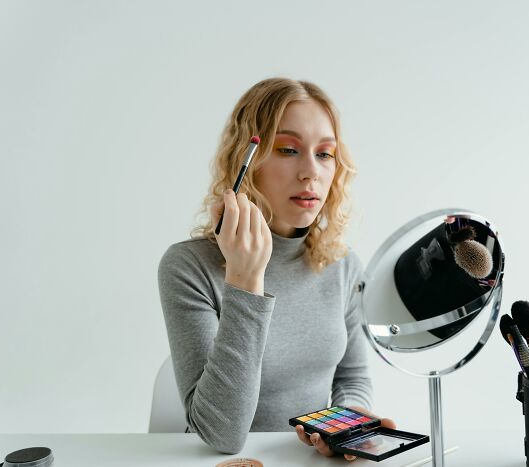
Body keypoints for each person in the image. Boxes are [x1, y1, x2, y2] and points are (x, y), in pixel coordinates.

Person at [158, 77, 394, 459]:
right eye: (288, 149)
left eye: (325, 154)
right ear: (245, 164)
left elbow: (351, 376)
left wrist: (350, 419)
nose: (310, 172)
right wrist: (245, 280)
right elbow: (223, 435)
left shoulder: (343, 265)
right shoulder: (188, 267)